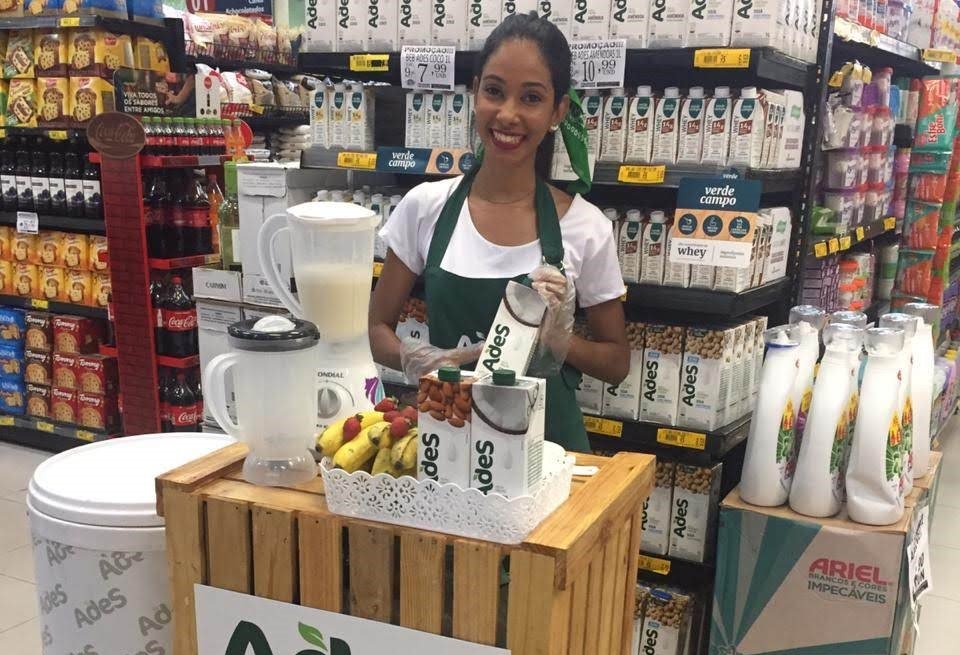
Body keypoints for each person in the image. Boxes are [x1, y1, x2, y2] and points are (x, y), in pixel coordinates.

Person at [369, 13, 628, 452]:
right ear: (475, 94)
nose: (508, 114)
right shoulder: (425, 208)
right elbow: (377, 328)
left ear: (557, 112)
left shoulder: (586, 227)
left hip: (551, 455)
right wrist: (423, 358)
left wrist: (559, 341)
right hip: (452, 447)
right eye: (494, 91)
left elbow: (616, 362)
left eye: (531, 98)